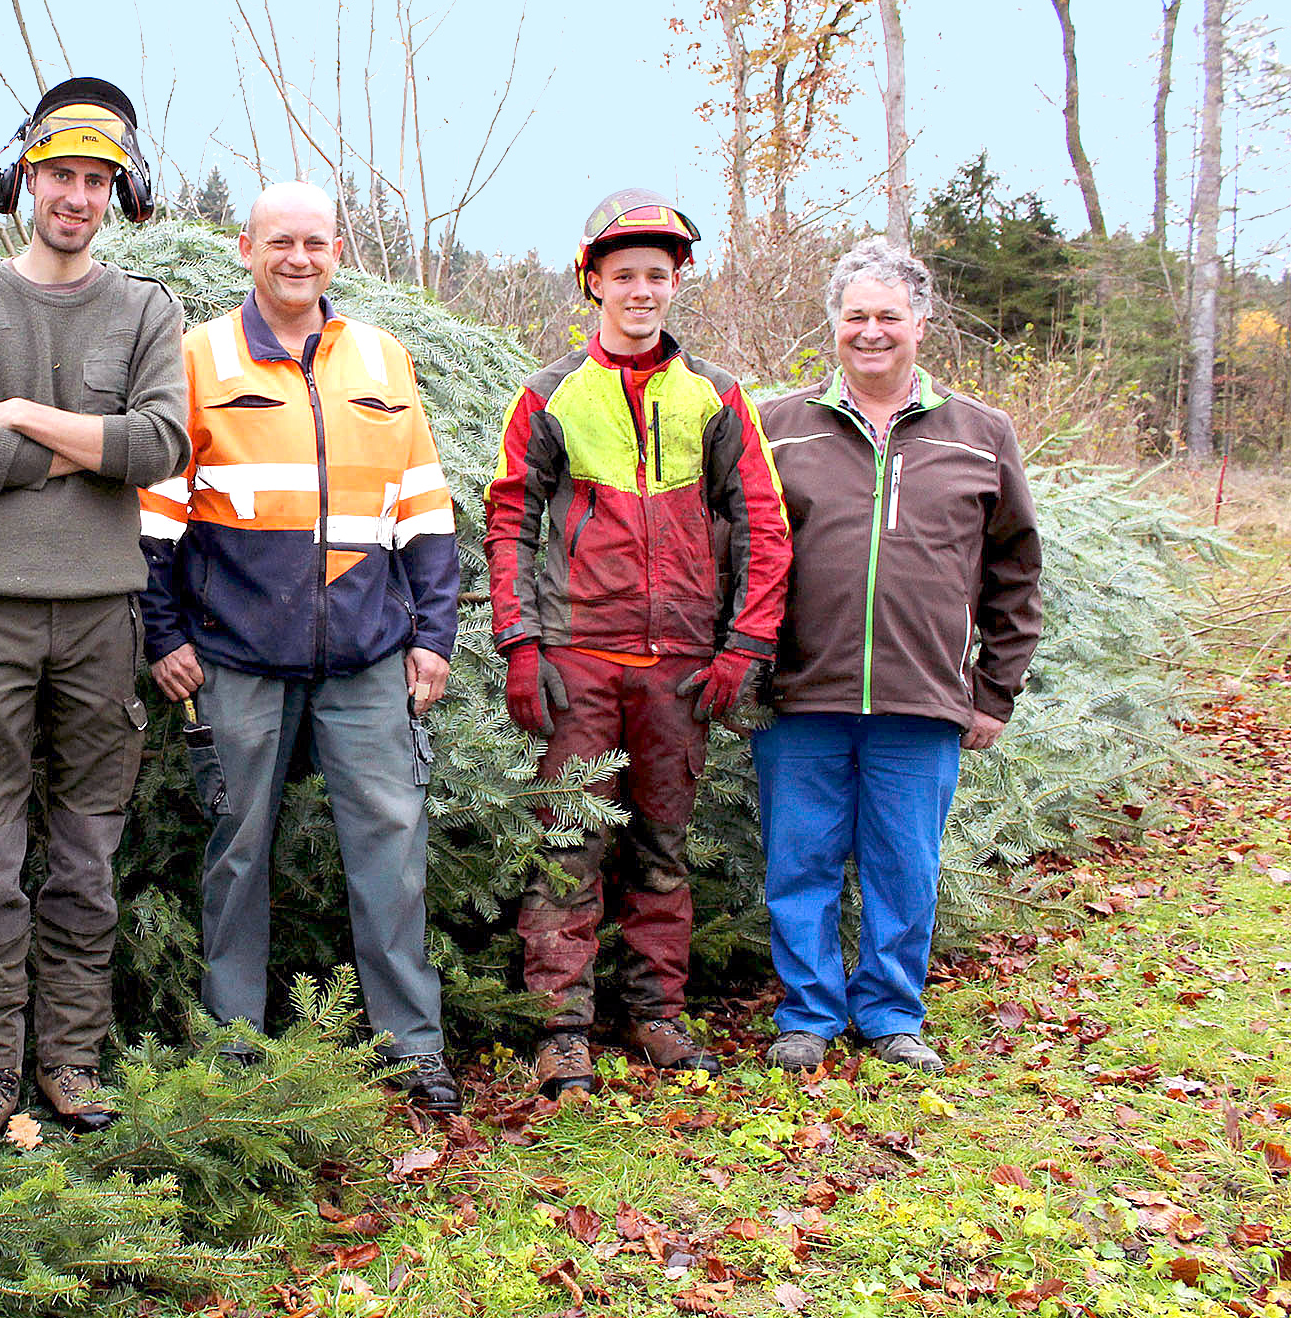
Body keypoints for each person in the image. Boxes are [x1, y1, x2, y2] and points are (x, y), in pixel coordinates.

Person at [139, 181, 464, 1112]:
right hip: (235, 652)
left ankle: (411, 1047)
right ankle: (233, 1050)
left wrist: (431, 636)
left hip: (366, 652)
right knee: (237, 853)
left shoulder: (381, 358)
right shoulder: (197, 357)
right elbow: (157, 514)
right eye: (279, 241)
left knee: (392, 850)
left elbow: (422, 509)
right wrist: (164, 635)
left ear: (336, 250)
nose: (297, 258)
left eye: (315, 242)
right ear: (245, 247)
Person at [0, 77, 189, 1150]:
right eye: (59, 174)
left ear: (118, 191)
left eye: (95, 179)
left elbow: (160, 443)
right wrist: (93, 440)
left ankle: (70, 1058)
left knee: (84, 856)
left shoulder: (148, 308)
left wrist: (23, 415)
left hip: (102, 617)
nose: (76, 196)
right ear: (25, 178)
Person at [483, 189, 791, 1097]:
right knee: (568, 844)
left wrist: (745, 646)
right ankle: (559, 1029)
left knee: (662, 845)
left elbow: (763, 526)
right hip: (579, 661)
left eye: (657, 275)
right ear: (593, 282)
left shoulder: (717, 397)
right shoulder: (548, 395)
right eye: (623, 276)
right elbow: (509, 521)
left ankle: (656, 1014)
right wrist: (519, 644)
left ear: (676, 283)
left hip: (682, 667)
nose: (641, 291)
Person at [752, 237, 1042, 1076]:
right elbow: (738, 554)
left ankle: (889, 1014)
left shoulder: (981, 435)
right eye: (855, 317)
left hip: (923, 698)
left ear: (921, 323)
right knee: (797, 863)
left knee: (902, 867)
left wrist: (993, 691)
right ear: (831, 326)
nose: (870, 331)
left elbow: (1015, 569)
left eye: (888, 316)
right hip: (799, 696)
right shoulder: (778, 429)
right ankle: (806, 1014)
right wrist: (742, 672)